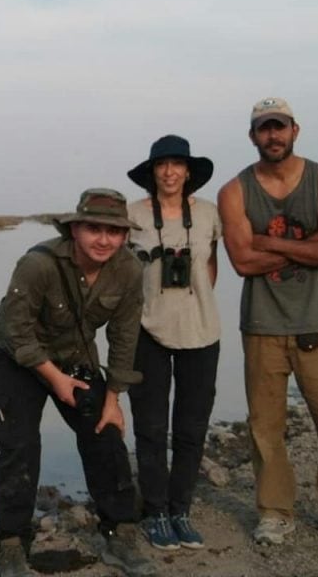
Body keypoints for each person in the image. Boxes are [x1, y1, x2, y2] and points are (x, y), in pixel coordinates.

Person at [0, 189, 155, 577]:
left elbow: (125, 335)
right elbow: (16, 330)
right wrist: (54, 380)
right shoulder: (37, 264)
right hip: (17, 353)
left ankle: (119, 531)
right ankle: (11, 543)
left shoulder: (129, 269)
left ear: (125, 236)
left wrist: (113, 397)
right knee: (18, 443)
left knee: (105, 433)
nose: (104, 240)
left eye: (114, 232)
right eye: (94, 229)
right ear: (75, 229)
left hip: (74, 354)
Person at [218, 97, 318, 546]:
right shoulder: (234, 191)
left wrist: (266, 239)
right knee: (265, 427)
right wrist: (309, 245)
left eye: (279, 127)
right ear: (252, 136)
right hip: (262, 325)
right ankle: (276, 512)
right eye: (264, 129)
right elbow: (241, 262)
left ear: (295, 130)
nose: (273, 136)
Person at [126, 136, 221, 551]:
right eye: (161, 165)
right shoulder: (132, 215)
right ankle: (157, 511)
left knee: (191, 427)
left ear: (188, 171)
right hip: (147, 332)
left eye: (177, 164)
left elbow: (211, 264)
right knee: (150, 428)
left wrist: (191, 301)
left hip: (201, 332)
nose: (169, 172)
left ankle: (181, 508)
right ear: (151, 172)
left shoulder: (209, 215)